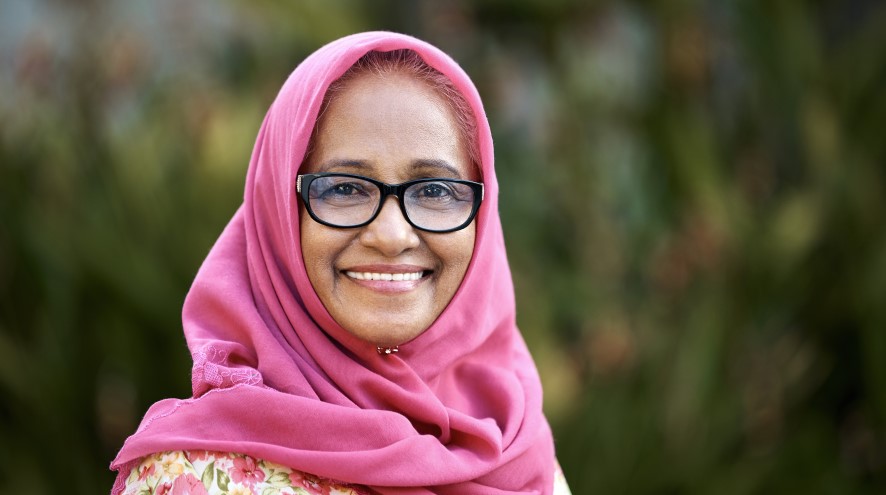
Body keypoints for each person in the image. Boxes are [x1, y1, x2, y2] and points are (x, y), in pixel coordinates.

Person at [110, 31, 571, 495]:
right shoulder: (198, 478)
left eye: (434, 190)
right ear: (281, 212)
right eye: (345, 189)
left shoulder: (514, 443)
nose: (392, 236)